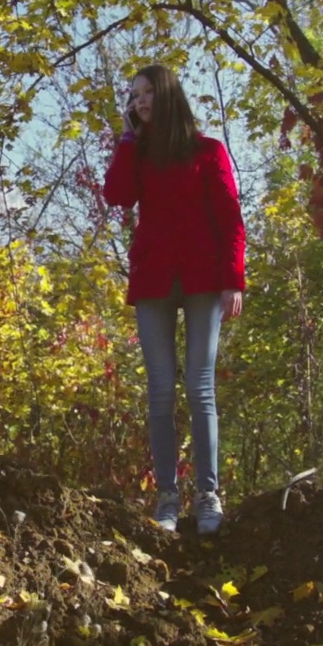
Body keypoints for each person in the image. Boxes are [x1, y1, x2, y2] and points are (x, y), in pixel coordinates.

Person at [102, 64, 246, 535]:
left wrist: (233, 279)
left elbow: (230, 216)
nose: (140, 101)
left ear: (167, 96)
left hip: (204, 278)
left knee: (200, 388)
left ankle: (209, 496)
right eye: (134, 95)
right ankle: (168, 497)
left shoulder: (208, 151)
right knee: (161, 390)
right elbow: (117, 196)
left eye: (147, 93)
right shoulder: (137, 154)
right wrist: (126, 140)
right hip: (154, 281)